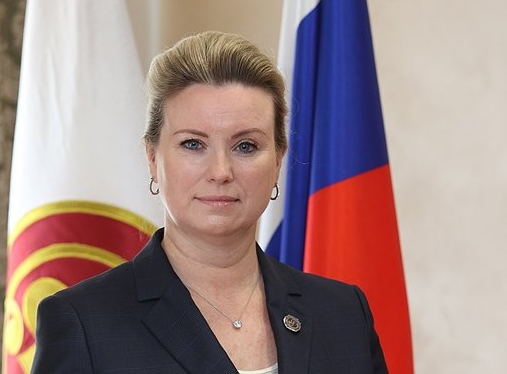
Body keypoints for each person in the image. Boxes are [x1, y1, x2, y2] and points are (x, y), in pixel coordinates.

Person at [31, 31, 388, 373]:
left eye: (245, 146)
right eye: (193, 144)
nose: (220, 171)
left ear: (278, 160)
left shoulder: (344, 315)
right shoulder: (82, 323)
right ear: (153, 158)